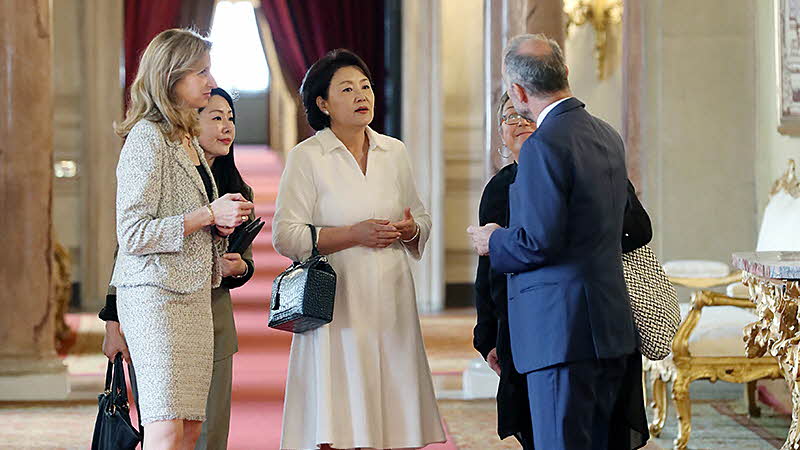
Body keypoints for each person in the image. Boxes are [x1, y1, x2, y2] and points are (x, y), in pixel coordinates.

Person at [467, 34, 648, 449]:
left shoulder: (544, 146)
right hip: (609, 325)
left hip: (560, 333)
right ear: (565, 72)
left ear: (518, 90)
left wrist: (494, 241)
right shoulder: (606, 134)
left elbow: (537, 243)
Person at [272, 49, 446, 450]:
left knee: (391, 414)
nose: (360, 95)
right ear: (323, 103)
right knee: (340, 415)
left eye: (365, 87)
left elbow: (420, 218)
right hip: (338, 300)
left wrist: (408, 230)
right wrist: (354, 234)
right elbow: (287, 236)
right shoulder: (307, 158)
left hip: (391, 296)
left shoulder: (394, 151)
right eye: (346, 89)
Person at [111, 29, 253, 450]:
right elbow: (132, 232)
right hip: (155, 300)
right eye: (202, 72)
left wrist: (220, 228)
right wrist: (207, 214)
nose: (211, 82)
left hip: (193, 298)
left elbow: (185, 220)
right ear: (171, 78)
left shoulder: (186, 138)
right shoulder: (146, 138)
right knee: (165, 427)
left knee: (190, 428)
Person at [472, 92, 537, 449]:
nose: (521, 123)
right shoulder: (498, 187)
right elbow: (488, 269)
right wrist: (487, 336)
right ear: (500, 132)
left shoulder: (566, 173)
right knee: (527, 423)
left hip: (554, 316)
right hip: (512, 322)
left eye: (528, 115)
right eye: (511, 117)